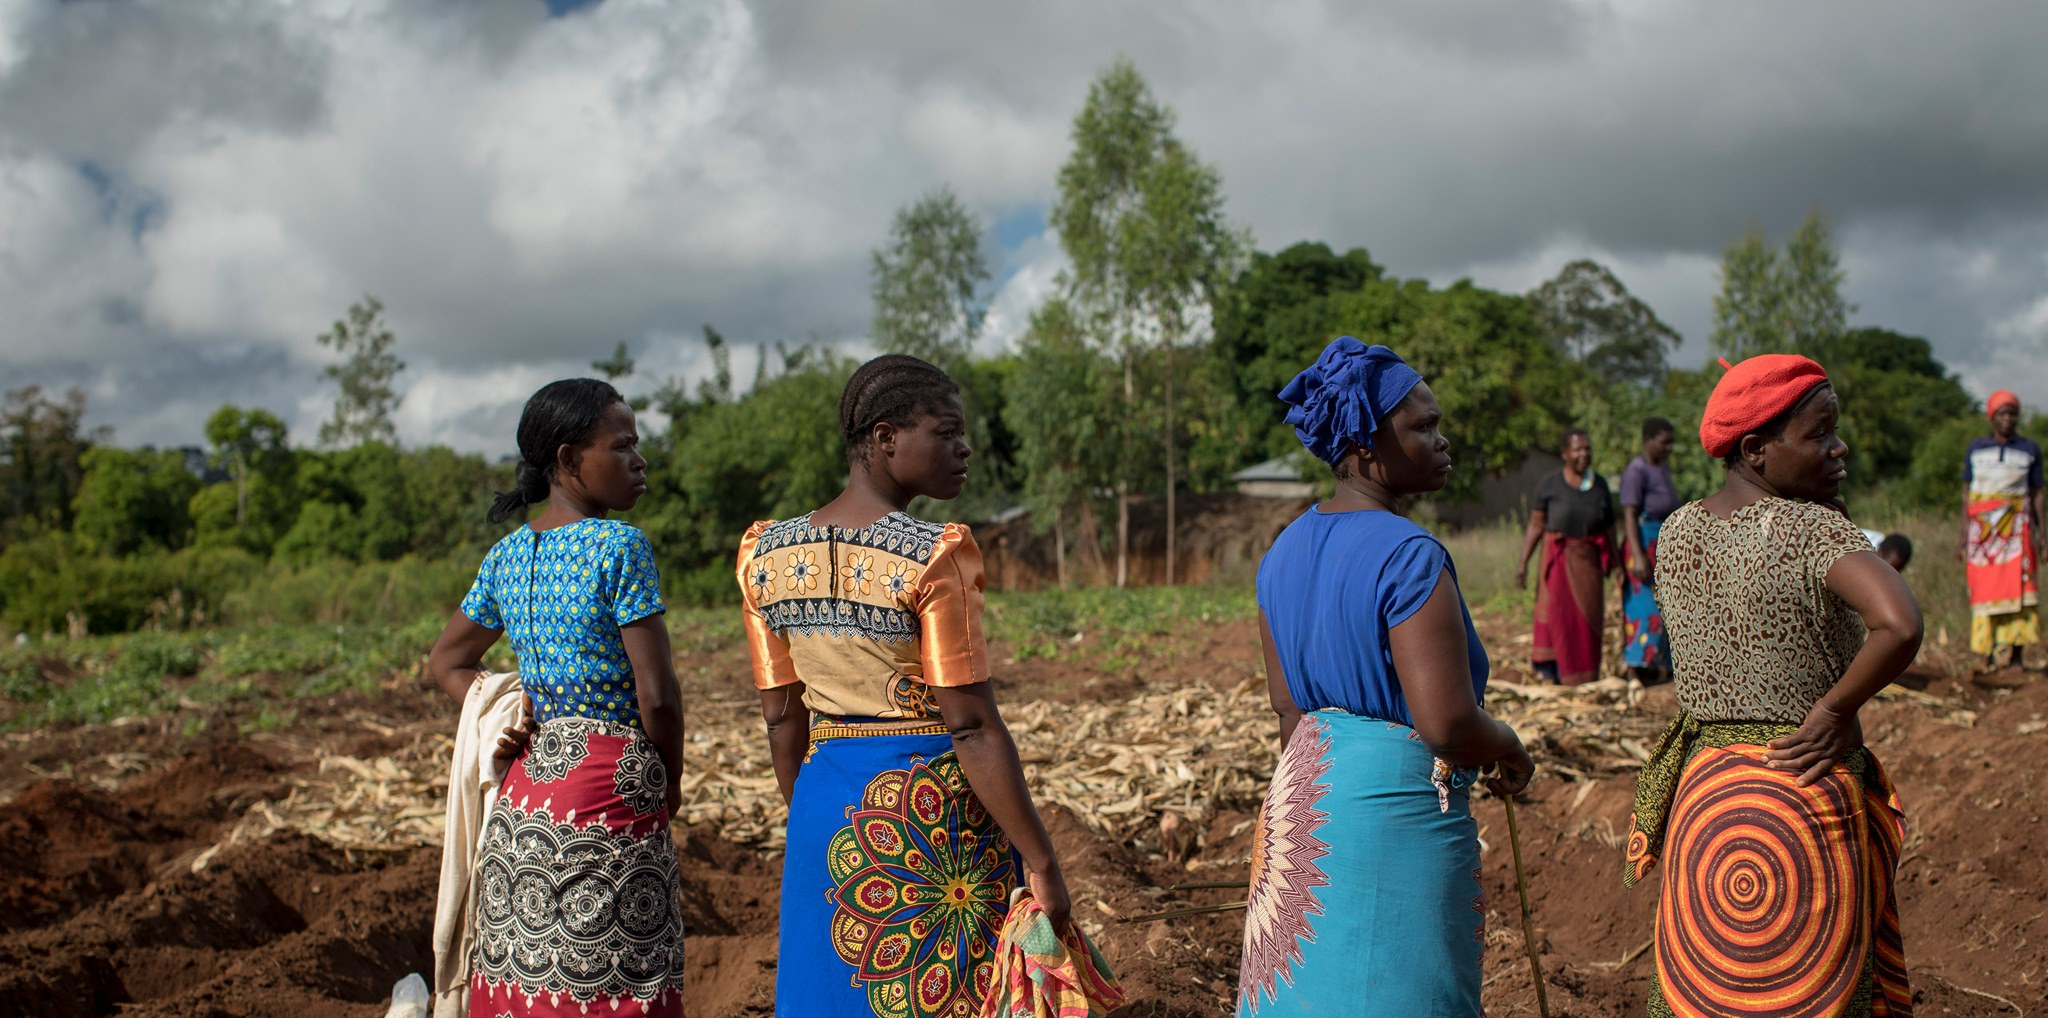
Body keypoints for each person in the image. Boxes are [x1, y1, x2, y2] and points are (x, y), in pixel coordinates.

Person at [738, 354, 1071, 1018]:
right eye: (947, 431)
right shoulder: (936, 554)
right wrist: (1042, 859)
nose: (964, 446)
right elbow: (970, 726)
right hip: (926, 818)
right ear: (887, 439)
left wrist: (816, 816)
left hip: (823, 807)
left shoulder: (764, 554)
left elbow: (782, 717)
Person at [1238, 337, 1533, 1016]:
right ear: (1368, 443)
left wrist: (1323, 809)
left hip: (1300, 812)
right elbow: (1448, 723)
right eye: (1423, 427)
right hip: (1395, 816)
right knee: (1401, 991)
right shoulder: (1410, 555)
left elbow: (1289, 713)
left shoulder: (1280, 553)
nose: (1442, 439)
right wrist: (1506, 744)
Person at [1624, 354, 1920, 1018]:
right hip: (1802, 793)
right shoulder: (1815, 530)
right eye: (1820, 434)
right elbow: (1898, 625)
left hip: (1706, 803)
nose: (1838, 447)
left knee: (1711, 993)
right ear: (1757, 450)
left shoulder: (1677, 532)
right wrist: (1835, 707)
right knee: (1809, 993)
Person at [426, 378, 686, 1016]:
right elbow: (657, 696)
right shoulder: (618, 546)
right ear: (569, 461)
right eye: (621, 445)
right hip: (610, 783)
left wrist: (510, 718)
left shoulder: (507, 556)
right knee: (618, 976)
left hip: (527, 791)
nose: (638, 459)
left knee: (535, 971)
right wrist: (668, 775)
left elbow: (447, 661)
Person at [1516, 428, 1618, 685]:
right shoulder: (1550, 485)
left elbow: (1609, 528)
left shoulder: (1600, 485)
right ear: (1564, 453)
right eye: (1577, 449)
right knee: (1558, 619)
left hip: (1588, 564)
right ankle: (1556, 673)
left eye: (1587, 448)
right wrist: (1523, 564)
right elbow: (1536, 526)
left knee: (1587, 621)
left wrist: (1616, 563)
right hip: (1558, 563)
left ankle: (1584, 677)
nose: (1583, 454)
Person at [1961, 390, 2043, 670]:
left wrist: (2042, 534)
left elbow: (2037, 494)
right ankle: (1988, 654)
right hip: (1982, 535)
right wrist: (1963, 536)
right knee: (1985, 590)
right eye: (2002, 414)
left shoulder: (2029, 449)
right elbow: (1966, 494)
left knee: (2021, 591)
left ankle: (2017, 657)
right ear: (1992, 417)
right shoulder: (1976, 449)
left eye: (2012, 414)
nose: (2007, 419)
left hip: (2017, 531)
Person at [1619, 418, 1680, 684]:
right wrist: (1638, 554)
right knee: (1644, 608)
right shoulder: (1637, 470)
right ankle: (1635, 668)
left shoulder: (1662, 468)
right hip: (1642, 543)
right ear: (1648, 440)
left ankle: (1657, 667)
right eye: (1664, 442)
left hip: (1661, 543)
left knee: (1665, 606)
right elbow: (1630, 514)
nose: (1669, 448)